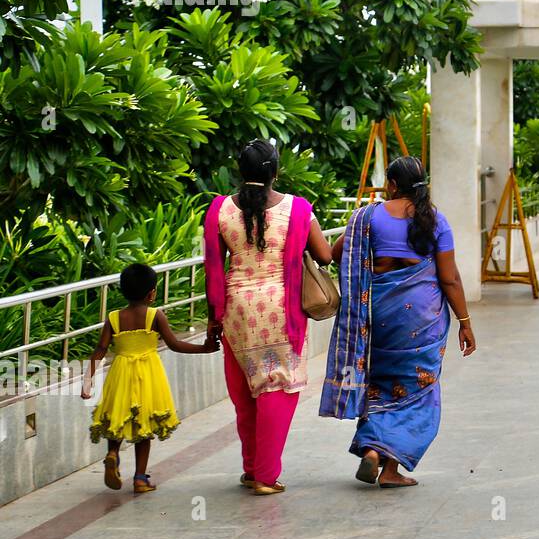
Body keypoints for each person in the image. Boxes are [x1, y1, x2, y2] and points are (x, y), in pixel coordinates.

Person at [321, 156, 476, 488]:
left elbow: (335, 255)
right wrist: (464, 321)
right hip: (422, 321)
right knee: (418, 390)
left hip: (378, 317)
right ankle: (388, 467)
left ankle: (374, 450)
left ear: (391, 184)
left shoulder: (367, 218)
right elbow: (449, 280)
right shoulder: (435, 221)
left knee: (380, 383)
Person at [203, 139, 334, 496]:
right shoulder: (298, 209)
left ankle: (250, 469)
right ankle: (265, 474)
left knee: (246, 391)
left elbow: (213, 269)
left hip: (237, 312)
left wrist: (214, 320)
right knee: (277, 386)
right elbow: (323, 256)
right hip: (281, 311)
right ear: (275, 171)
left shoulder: (219, 210)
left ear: (239, 171)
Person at [85, 264, 218, 493]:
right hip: (148, 375)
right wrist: (203, 349)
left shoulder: (114, 318)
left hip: (120, 373)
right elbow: (175, 345)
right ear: (152, 293)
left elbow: (100, 349)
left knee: (118, 417)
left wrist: (87, 381)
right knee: (143, 425)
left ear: (123, 290)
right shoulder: (155, 315)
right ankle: (140, 478)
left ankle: (113, 454)